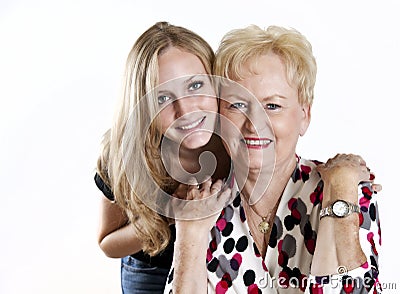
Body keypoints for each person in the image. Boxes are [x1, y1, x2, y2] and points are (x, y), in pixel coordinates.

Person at [164, 25, 381, 293]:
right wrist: (189, 235)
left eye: (273, 106)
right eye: (238, 105)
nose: (255, 124)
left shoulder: (345, 192)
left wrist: (340, 187)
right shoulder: (203, 205)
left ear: (304, 116)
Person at [94, 21, 230, 293]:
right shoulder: (125, 153)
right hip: (152, 272)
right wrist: (170, 214)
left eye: (195, 86)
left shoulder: (236, 135)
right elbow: (108, 242)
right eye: (162, 98)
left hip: (225, 260)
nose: (185, 109)